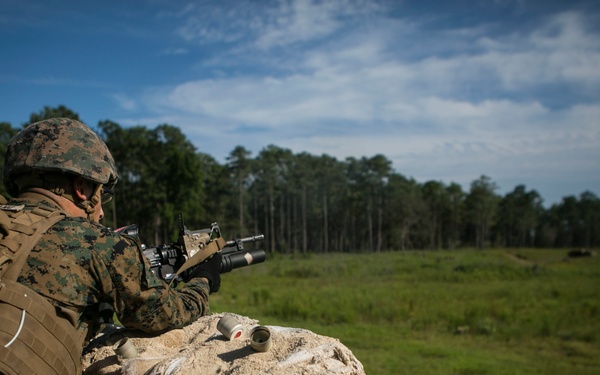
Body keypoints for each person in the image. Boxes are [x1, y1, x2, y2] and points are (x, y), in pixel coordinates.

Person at [0, 117, 221, 374]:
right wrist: (203, 280)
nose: (101, 213)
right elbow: (166, 313)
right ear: (81, 187)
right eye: (101, 194)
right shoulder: (96, 242)